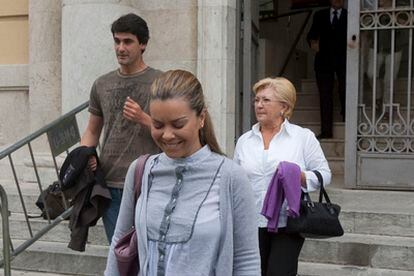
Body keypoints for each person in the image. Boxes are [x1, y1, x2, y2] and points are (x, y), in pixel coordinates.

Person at [105, 70, 261, 276]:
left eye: (178, 124)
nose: (167, 135)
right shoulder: (140, 171)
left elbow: (246, 260)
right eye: (158, 125)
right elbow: (119, 240)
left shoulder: (231, 177)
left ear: (201, 118)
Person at [234, 77, 331, 276]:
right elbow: (236, 181)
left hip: (288, 222)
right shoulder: (245, 140)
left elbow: (325, 174)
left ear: (284, 107)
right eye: (257, 100)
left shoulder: (302, 137)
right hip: (250, 223)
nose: (259, 105)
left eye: (266, 100)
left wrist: (297, 176)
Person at [80, 13, 162, 243]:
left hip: (150, 181)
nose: (121, 48)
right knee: (120, 254)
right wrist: (85, 155)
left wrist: (143, 118)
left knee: (150, 251)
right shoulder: (101, 84)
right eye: (117, 41)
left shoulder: (161, 82)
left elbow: (172, 133)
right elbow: (92, 131)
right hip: (111, 183)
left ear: (143, 44)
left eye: (128, 41)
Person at [307, 0, 347, 139]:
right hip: (323, 62)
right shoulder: (320, 15)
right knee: (325, 96)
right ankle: (326, 131)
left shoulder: (350, 15)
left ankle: (347, 122)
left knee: (345, 91)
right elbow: (311, 35)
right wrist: (314, 44)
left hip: (345, 61)